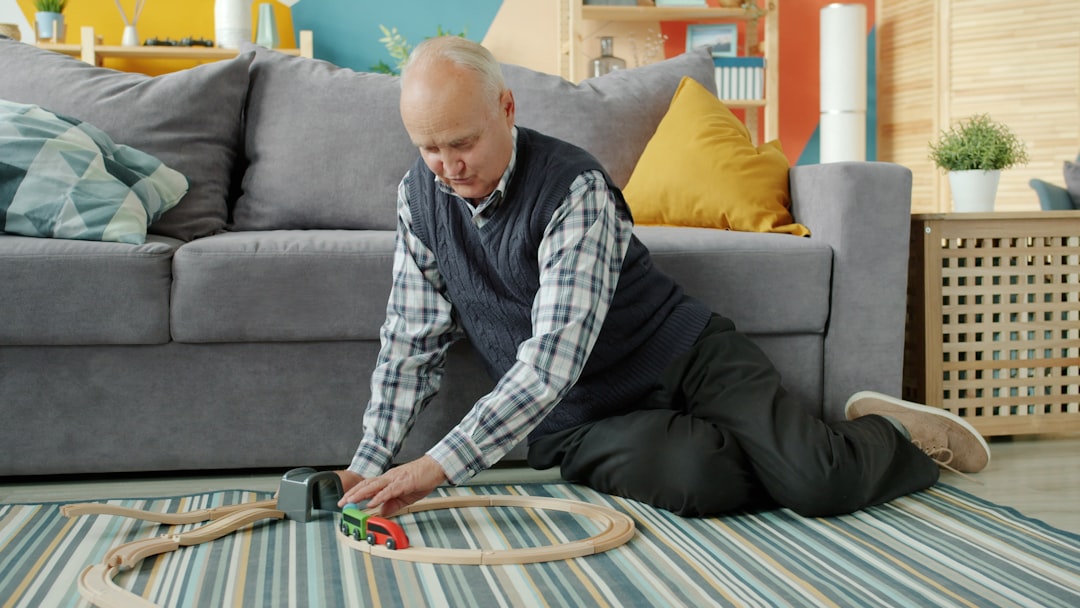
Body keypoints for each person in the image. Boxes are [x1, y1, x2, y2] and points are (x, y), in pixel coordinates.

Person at [336, 36, 990, 518]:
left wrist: (436, 466)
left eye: (463, 143)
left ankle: (890, 437)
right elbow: (410, 343)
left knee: (820, 485)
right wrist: (368, 463)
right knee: (696, 483)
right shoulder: (418, 198)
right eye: (429, 148)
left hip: (685, 358)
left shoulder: (573, 187)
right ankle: (791, 451)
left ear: (506, 109)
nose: (447, 167)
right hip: (582, 419)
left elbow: (550, 363)